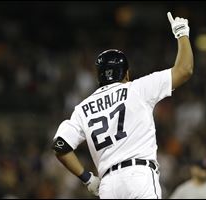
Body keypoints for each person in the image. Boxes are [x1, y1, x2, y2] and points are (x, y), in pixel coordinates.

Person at [52, 11, 193, 199]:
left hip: (109, 185)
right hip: (138, 176)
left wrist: (88, 179)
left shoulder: (82, 109)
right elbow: (184, 70)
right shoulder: (137, 88)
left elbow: (60, 146)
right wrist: (182, 34)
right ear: (126, 74)